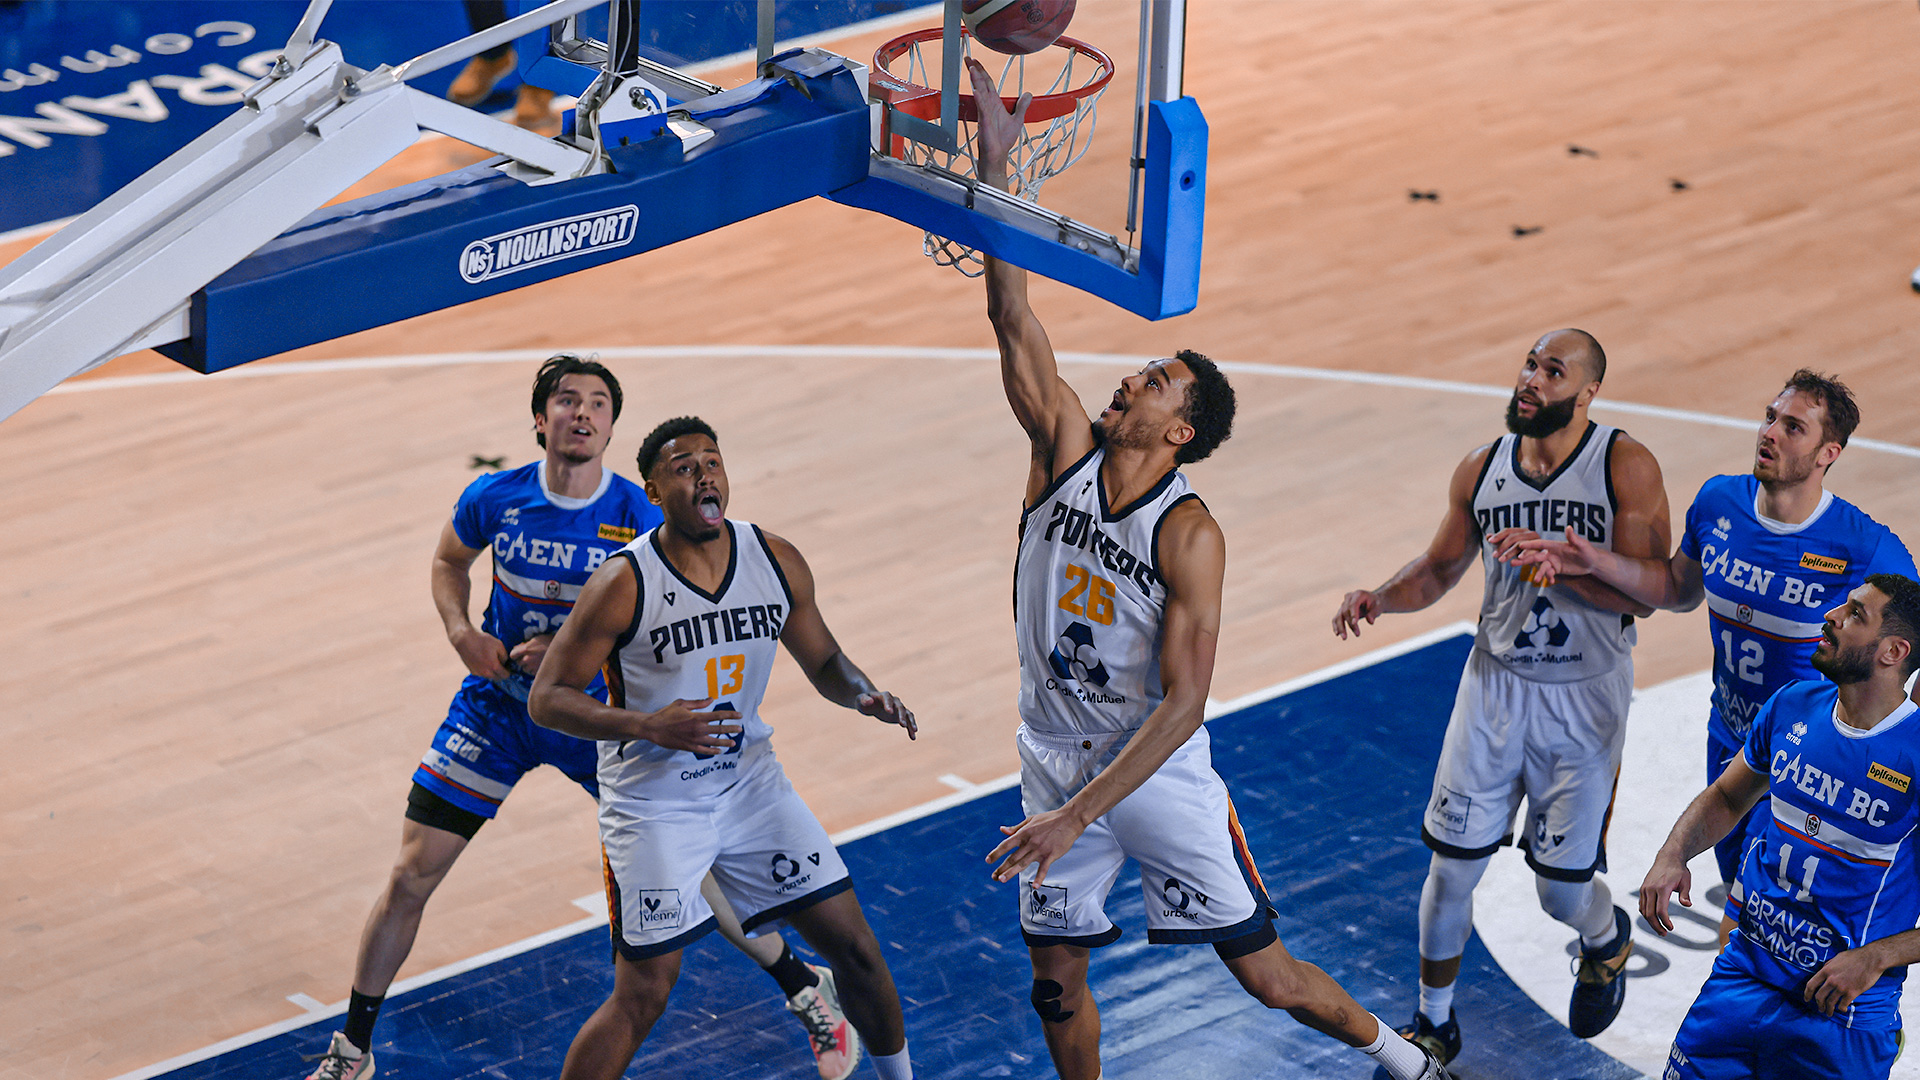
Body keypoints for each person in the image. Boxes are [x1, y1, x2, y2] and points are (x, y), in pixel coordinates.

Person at [968, 60, 1450, 1080]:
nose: (1132, 375)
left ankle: (1406, 1061)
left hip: (1151, 772)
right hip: (1054, 748)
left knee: (1266, 976)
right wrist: (999, 163)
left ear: (1178, 431)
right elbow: (1014, 320)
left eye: (1156, 381)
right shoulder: (1061, 451)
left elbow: (1186, 703)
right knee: (1054, 980)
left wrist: (1077, 816)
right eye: (1143, 368)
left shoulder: (1189, 533)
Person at [306, 359, 856, 1080]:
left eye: (598, 403)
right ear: (541, 419)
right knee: (412, 873)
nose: (582, 413)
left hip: (599, 721)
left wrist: (570, 649)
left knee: (702, 879)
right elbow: (448, 561)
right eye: (567, 401)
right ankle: (352, 1050)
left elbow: (677, 609)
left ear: (611, 427)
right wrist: (460, 630)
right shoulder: (493, 497)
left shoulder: (641, 513)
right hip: (499, 712)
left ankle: (802, 985)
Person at [528, 416, 919, 1080]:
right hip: (654, 806)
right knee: (643, 994)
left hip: (749, 786)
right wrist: (649, 727)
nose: (704, 475)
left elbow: (825, 659)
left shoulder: (773, 558)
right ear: (653, 491)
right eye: (684, 468)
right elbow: (548, 698)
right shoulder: (624, 583)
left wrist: (862, 693)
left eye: (712, 462)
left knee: (855, 949)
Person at [1330, 329, 1670, 1062]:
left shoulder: (1625, 465)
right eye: (1529, 364)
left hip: (1584, 703)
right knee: (1450, 868)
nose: (1531, 380)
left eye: (1553, 372)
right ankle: (1434, 1020)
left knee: (1558, 895)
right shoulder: (1482, 468)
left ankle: (1605, 937)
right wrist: (1381, 598)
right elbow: (1439, 567)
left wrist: (1569, 569)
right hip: (1493, 690)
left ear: (1587, 394)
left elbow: (1652, 593)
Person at [1512, 370, 1915, 947]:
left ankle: (1854, 1023)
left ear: (1829, 453)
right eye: (1771, 417)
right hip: (1730, 742)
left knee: (1763, 930)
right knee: (1750, 916)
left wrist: (1900, 739)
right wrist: (1593, 562)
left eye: (1793, 427)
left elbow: (1912, 641)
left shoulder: (1864, 544)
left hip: (1807, 759)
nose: (1770, 432)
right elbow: (1678, 589)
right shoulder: (1718, 502)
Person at [1642, 575, 1920, 1079]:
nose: (1831, 616)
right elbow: (1727, 796)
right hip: (1740, 980)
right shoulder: (1792, 704)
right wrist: (1673, 853)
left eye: (1856, 614)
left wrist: (1879, 956)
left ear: (1893, 651)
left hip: (1841, 1017)